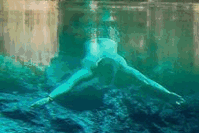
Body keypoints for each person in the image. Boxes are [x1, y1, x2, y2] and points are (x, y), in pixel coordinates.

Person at [31, 37, 184, 108]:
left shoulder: (121, 64)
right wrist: (49, 98)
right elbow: (69, 83)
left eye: (110, 75)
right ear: (100, 70)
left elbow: (145, 80)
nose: (109, 78)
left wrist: (167, 93)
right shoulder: (89, 68)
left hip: (110, 39)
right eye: (107, 75)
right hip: (91, 40)